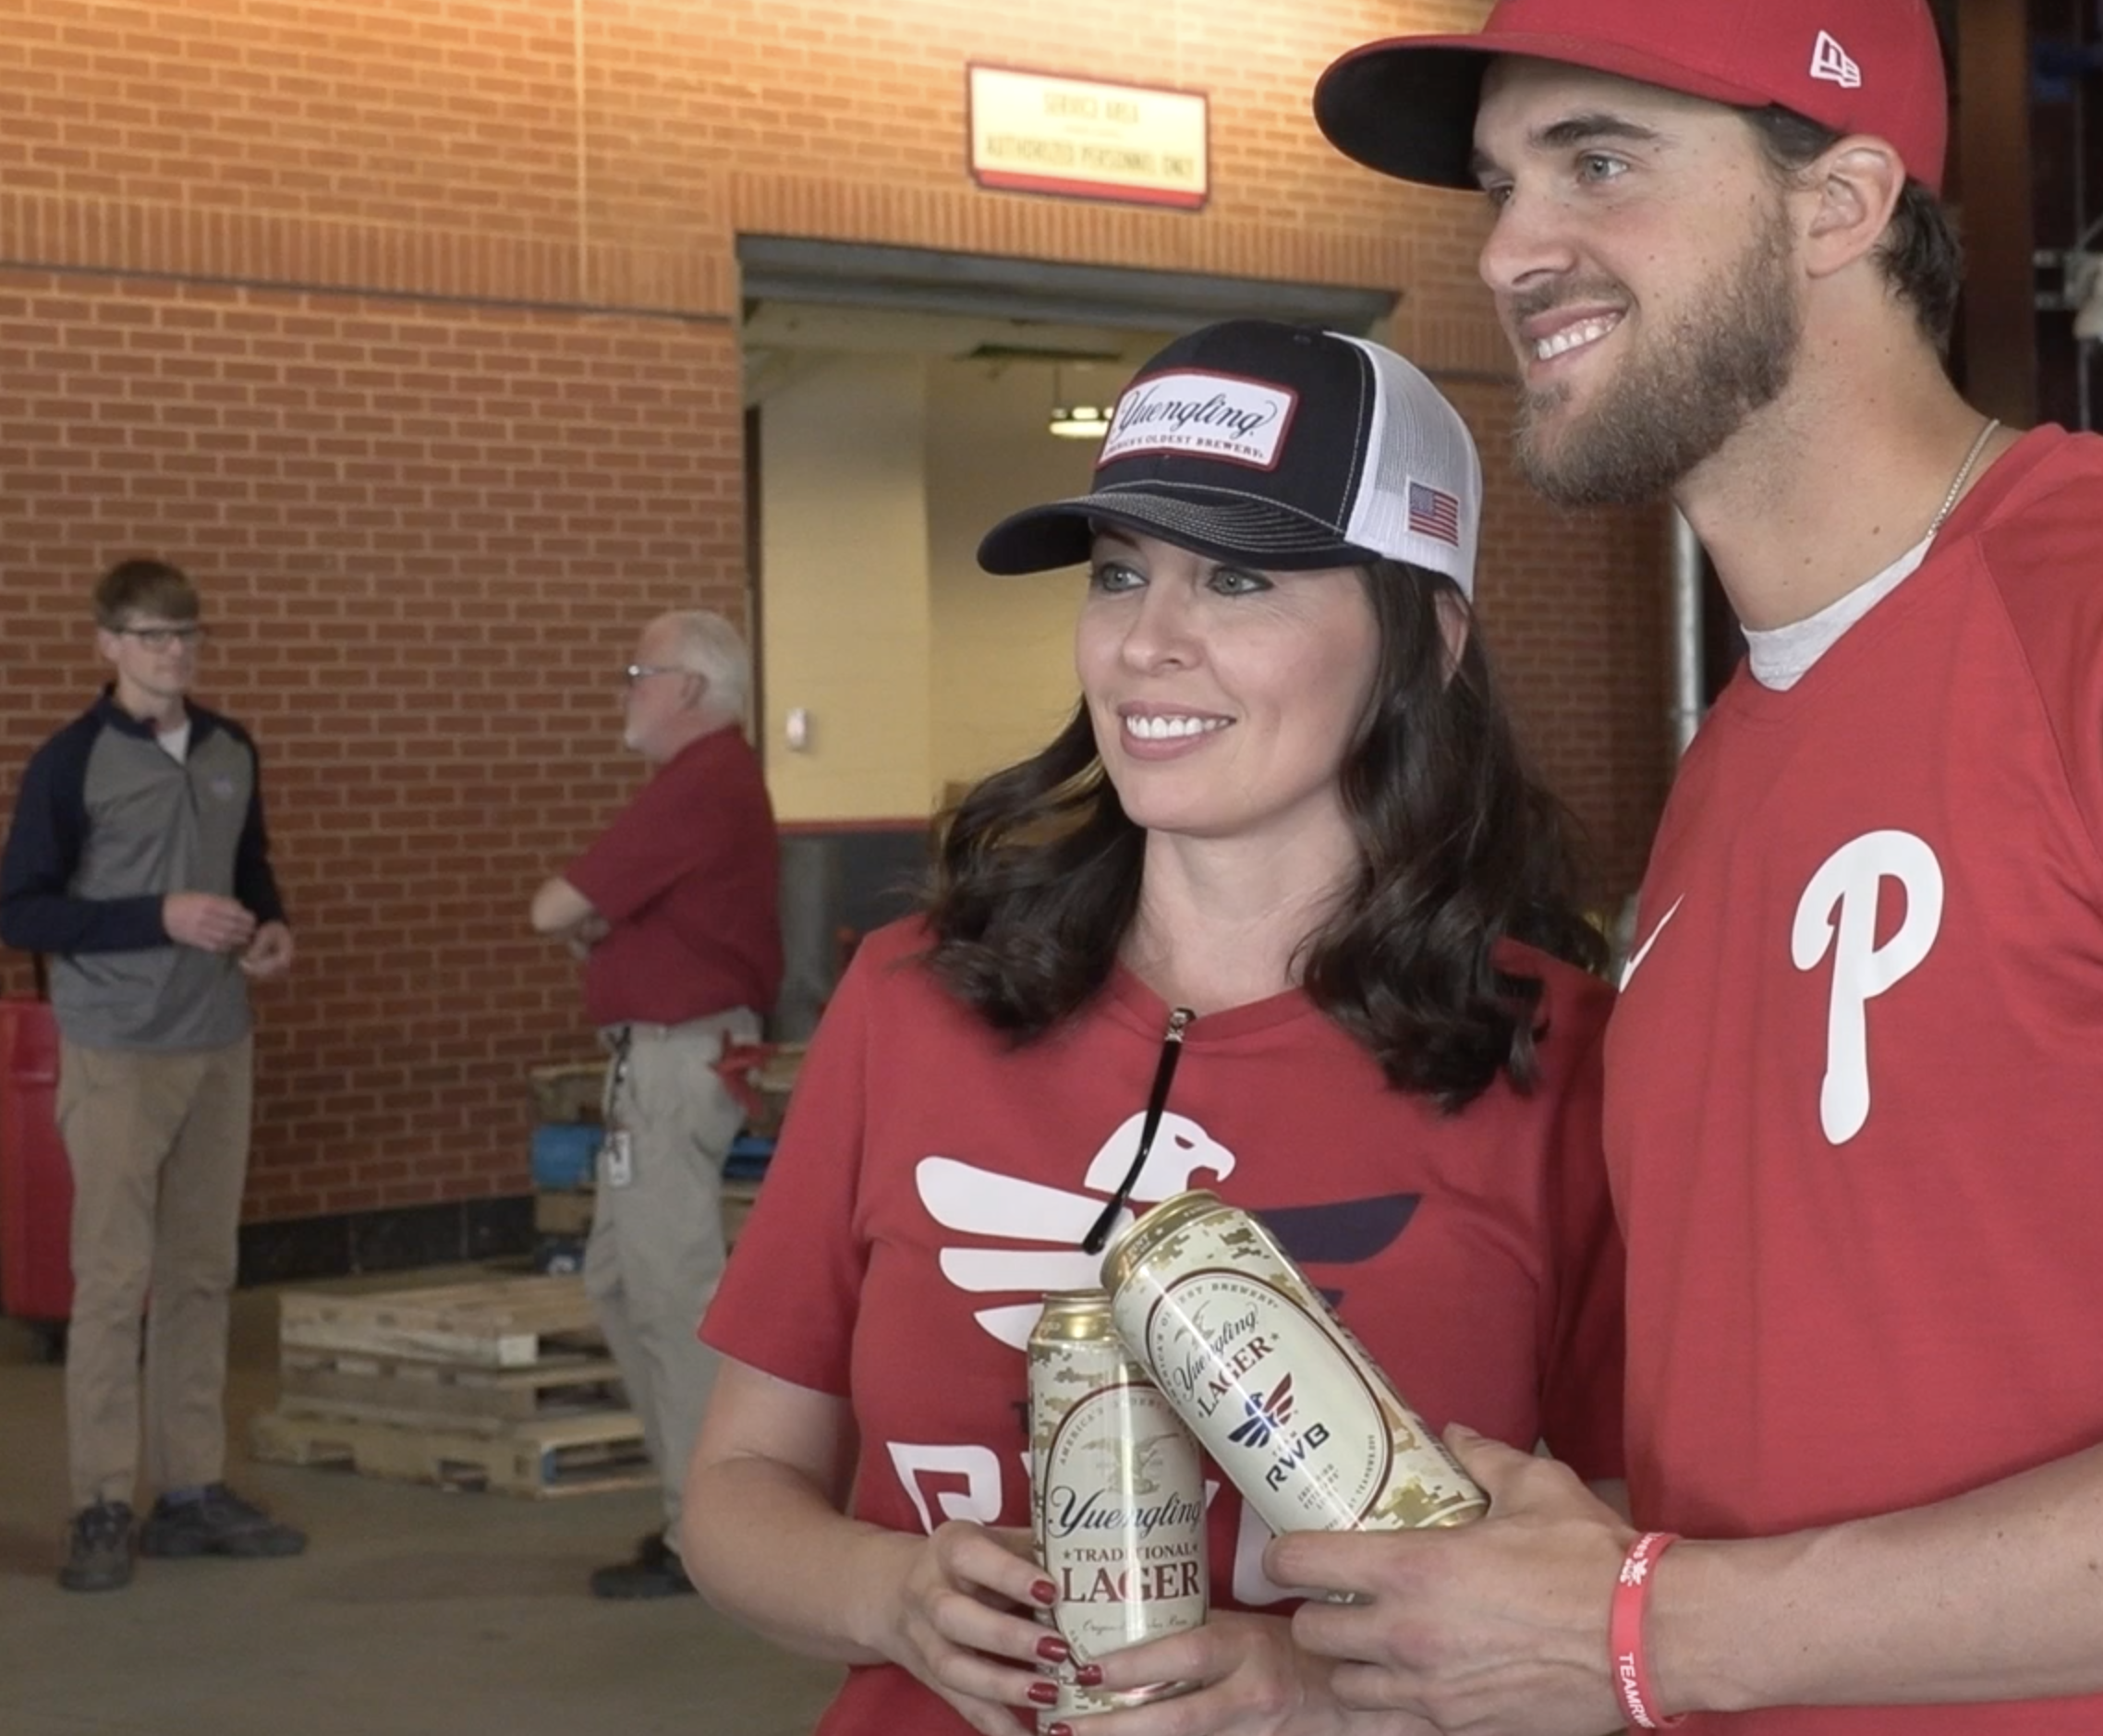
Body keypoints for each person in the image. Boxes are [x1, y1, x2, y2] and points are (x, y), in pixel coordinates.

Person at [1282, 0, 2103, 1733]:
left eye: (1597, 161)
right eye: (1498, 182)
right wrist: (1542, 1588)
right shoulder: (1730, 774)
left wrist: (1636, 1632)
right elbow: (1834, 1458)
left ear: (1841, 200)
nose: (1508, 248)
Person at [679, 319, 1625, 1736]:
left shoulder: (1560, 1055)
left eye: (1238, 579)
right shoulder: (910, 996)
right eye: (1121, 573)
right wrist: (892, 1596)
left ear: (1424, 638)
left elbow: (1632, 1566)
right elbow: (736, 1493)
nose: (1144, 640)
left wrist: (1317, 1690)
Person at [0, 557, 305, 1593]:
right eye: (151, 634)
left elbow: (247, 865)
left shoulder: (230, 749)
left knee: (201, 1271)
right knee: (113, 1278)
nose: (173, 651)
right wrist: (156, 916)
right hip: (118, 1046)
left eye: (187, 634)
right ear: (107, 644)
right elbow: (23, 912)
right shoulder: (69, 764)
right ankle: (98, 1500)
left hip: (217, 1036)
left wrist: (269, 930)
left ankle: (191, 1489)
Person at [529, 608, 784, 1599]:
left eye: (640, 671)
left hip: (678, 1067)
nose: (627, 688)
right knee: (621, 1283)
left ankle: (706, 1530)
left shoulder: (702, 781)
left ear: (686, 688)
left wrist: (590, 917)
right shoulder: (704, 787)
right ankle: (691, 1505)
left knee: (673, 1295)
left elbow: (555, 906)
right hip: (654, 1064)